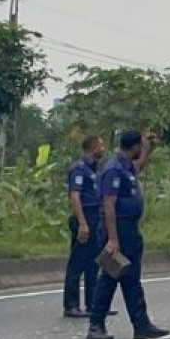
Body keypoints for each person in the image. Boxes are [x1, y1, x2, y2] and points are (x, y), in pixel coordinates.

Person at [86, 130, 170, 339]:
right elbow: (108, 205)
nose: (141, 150)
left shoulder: (126, 167)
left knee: (132, 278)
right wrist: (113, 240)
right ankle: (96, 324)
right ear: (133, 147)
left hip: (130, 230)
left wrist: (149, 148)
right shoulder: (113, 169)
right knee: (109, 277)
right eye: (140, 146)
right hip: (116, 229)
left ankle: (141, 325)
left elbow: (139, 165)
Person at [62, 135, 106, 319]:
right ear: (93, 147)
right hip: (85, 216)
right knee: (77, 263)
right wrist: (82, 223)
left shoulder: (93, 169)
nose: (103, 148)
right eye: (101, 145)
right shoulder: (79, 169)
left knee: (93, 263)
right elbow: (74, 196)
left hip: (95, 217)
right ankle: (71, 305)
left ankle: (92, 303)